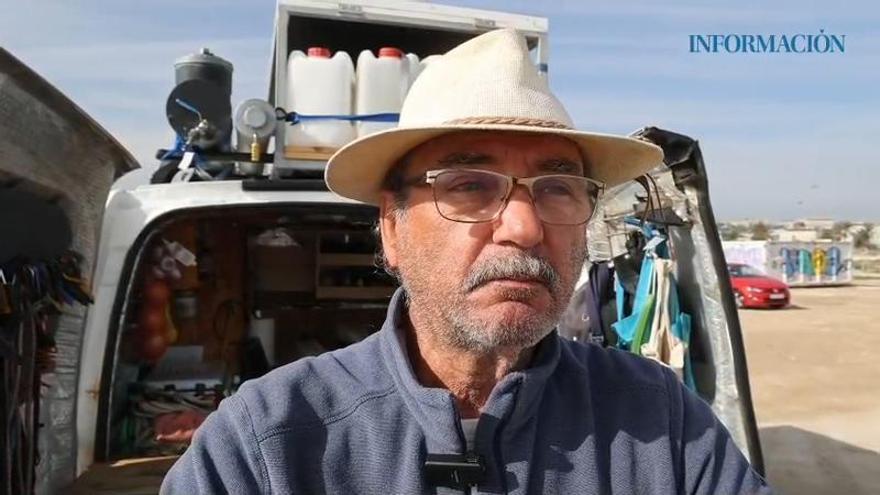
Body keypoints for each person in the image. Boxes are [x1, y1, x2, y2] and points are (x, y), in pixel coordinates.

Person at [161, 29, 773, 494]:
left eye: (557, 188)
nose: (525, 228)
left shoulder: (659, 419)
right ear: (391, 227)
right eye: (470, 186)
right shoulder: (266, 443)